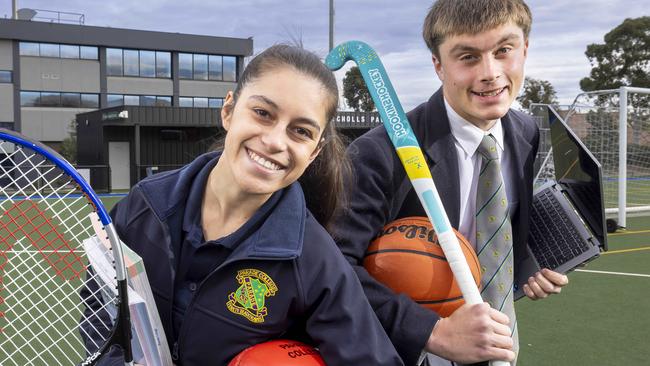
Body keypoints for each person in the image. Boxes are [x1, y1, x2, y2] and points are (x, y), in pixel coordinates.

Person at [82, 44, 404, 366]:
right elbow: (101, 313)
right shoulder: (146, 205)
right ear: (228, 110)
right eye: (263, 113)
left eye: (301, 131)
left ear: (315, 152)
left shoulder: (315, 260)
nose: (276, 141)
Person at [332, 1, 569, 365]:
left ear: (524, 50)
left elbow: (502, 220)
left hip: (500, 339)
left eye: (504, 51)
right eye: (468, 57)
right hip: (414, 350)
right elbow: (333, 270)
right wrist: (432, 332)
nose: (490, 73)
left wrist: (525, 265)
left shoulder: (523, 132)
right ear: (439, 66)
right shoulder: (378, 154)